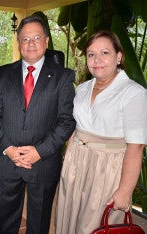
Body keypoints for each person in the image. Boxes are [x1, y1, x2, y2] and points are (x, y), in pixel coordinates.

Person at [0, 15, 76, 234]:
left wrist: (39, 151)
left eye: (37, 37)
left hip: (43, 163)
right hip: (9, 161)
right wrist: (8, 149)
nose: (31, 43)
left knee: (39, 224)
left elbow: (66, 121)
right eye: (25, 39)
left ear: (46, 41)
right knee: (6, 222)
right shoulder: (3, 73)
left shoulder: (63, 77)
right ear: (18, 43)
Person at [56, 30, 147, 234]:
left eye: (105, 53)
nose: (97, 60)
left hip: (107, 168)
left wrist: (125, 190)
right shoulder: (82, 89)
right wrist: (67, 155)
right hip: (76, 163)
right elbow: (76, 125)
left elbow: (137, 144)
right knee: (69, 217)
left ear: (119, 57)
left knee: (95, 225)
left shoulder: (134, 93)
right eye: (91, 54)